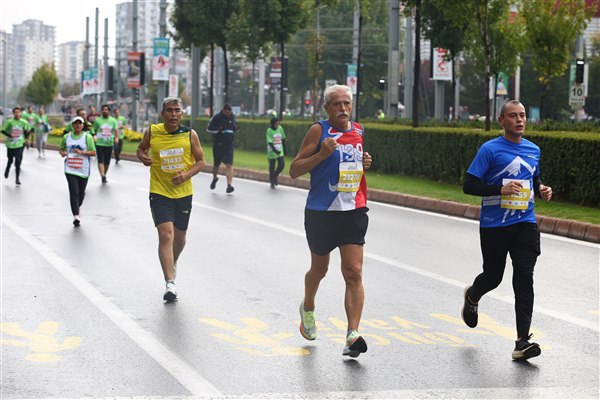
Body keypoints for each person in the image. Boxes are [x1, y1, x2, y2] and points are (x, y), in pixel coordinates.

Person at [461, 100, 553, 361]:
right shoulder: (489, 150)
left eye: (522, 115)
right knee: (493, 277)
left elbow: (533, 178)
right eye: (513, 116)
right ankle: (473, 295)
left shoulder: (533, 150)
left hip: (525, 223)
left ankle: (522, 341)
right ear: (501, 121)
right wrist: (499, 190)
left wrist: (541, 189)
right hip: (495, 226)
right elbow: (469, 185)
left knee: (524, 276)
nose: (519, 120)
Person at [289, 84, 373, 358]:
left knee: (354, 272)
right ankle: (308, 307)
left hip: (353, 209)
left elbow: (353, 163)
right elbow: (294, 170)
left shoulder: (358, 130)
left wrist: (364, 162)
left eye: (347, 103)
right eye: (337, 104)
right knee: (320, 269)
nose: (343, 108)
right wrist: (321, 154)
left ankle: (352, 335)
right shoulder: (318, 130)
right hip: (322, 212)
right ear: (326, 107)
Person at [136, 97, 206, 302]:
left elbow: (201, 162)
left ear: (182, 114)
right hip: (159, 191)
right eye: (169, 110)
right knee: (166, 234)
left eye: (177, 110)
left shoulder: (190, 135)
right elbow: (141, 148)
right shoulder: (152, 132)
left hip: (183, 193)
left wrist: (186, 175)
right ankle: (170, 283)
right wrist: (143, 157)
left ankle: (172, 260)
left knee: (180, 237)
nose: (173, 114)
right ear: (162, 113)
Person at [59, 116, 97, 227]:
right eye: (75, 123)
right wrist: (62, 153)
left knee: (81, 193)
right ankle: (76, 215)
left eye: (80, 123)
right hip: (70, 169)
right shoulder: (66, 137)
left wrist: (82, 152)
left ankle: (77, 207)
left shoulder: (87, 137)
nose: (77, 125)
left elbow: (93, 152)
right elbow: (61, 148)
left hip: (83, 169)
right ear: (72, 125)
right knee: (74, 192)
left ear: (83, 125)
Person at [206, 103, 239, 193]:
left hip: (229, 144)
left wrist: (236, 128)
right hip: (219, 144)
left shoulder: (233, 117)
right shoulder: (217, 117)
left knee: (229, 165)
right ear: (223, 111)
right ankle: (215, 177)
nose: (228, 114)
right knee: (216, 164)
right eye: (227, 112)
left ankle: (229, 185)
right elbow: (209, 128)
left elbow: (234, 127)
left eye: (230, 112)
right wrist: (219, 129)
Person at [1, 106, 32, 185]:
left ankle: (17, 178)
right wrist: (9, 135)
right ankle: (7, 169)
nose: (17, 114)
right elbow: (2, 131)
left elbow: (27, 130)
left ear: (20, 113)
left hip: (20, 143)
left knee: (18, 161)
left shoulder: (24, 122)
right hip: (10, 144)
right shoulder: (9, 122)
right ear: (13, 113)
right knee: (10, 160)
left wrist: (27, 139)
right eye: (15, 112)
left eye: (18, 112)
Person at [92, 104, 119, 183]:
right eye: (103, 109)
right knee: (100, 160)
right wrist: (94, 136)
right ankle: (102, 175)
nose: (104, 111)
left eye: (106, 110)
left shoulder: (113, 121)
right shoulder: (97, 120)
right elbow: (93, 130)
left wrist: (116, 138)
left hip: (109, 143)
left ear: (109, 111)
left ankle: (104, 174)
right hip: (99, 143)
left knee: (107, 161)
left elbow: (116, 130)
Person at [266, 117, 286, 189]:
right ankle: (272, 182)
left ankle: (275, 175)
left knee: (281, 165)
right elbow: (270, 142)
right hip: (272, 151)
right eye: (276, 124)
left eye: (278, 124)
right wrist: (275, 151)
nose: (277, 125)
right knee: (272, 167)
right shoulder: (269, 131)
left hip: (280, 150)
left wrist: (285, 150)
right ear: (272, 124)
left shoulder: (280, 128)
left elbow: (283, 139)